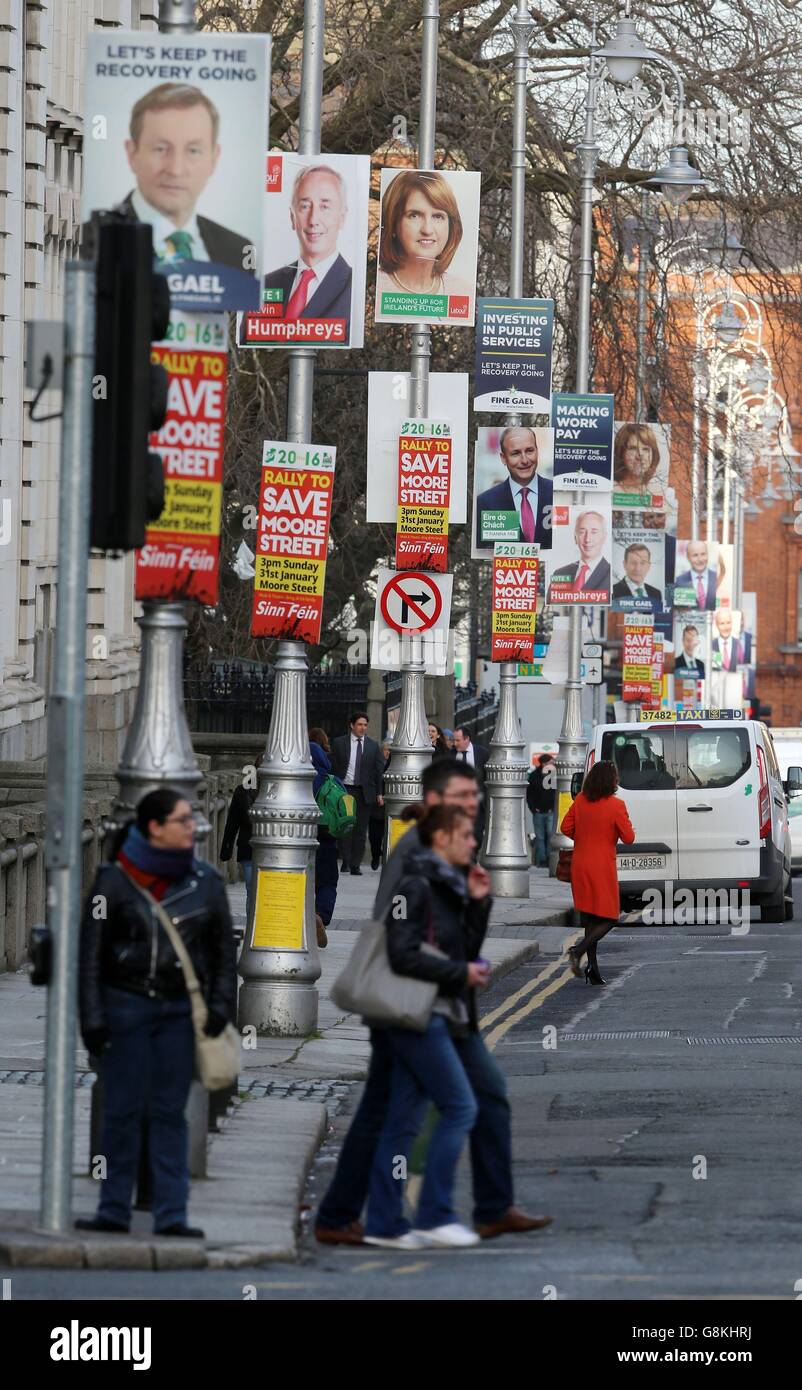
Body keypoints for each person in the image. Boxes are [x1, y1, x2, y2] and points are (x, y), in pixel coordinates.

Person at [315, 759, 552, 1245]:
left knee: (406, 1107)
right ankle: (416, 1215)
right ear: (438, 800)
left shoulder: (447, 852)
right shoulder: (418, 851)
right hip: (415, 1002)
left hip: (440, 1002)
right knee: (442, 1105)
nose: (473, 804)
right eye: (463, 797)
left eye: (474, 797)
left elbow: (462, 937)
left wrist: (478, 902)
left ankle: (347, 1214)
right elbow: (400, 931)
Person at [77, 789, 237, 1238]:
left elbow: (222, 952)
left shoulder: (204, 881)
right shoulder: (113, 881)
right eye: (183, 820)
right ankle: (112, 1208)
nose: (192, 827)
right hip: (125, 1005)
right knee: (122, 1111)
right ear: (155, 827)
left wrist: (222, 1006)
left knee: (170, 1112)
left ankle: (172, 1214)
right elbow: (90, 956)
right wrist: (91, 1018)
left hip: (179, 1011)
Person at [363, 805, 491, 1249]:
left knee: (404, 1119)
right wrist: (460, 974)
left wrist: (479, 902)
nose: (474, 843)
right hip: (418, 1014)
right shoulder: (416, 885)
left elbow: (467, 947)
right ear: (441, 840)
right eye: (466, 836)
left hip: (431, 1010)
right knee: (460, 1107)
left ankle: (382, 1220)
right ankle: (434, 1213)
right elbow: (402, 955)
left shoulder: (445, 883)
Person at [115, 83, 252, 271]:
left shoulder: (236, 251)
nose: (176, 169)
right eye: (160, 149)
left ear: (214, 158)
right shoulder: (96, 239)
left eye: (193, 151)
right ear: (132, 154)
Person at [560, 761, 635, 986]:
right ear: (611, 781)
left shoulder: (581, 800)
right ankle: (578, 950)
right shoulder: (616, 805)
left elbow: (565, 828)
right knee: (611, 917)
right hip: (602, 866)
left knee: (591, 917)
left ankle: (592, 967)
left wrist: (584, 839)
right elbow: (629, 838)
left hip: (581, 864)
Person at [263, 165, 352, 337]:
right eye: (304, 206)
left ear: (342, 217)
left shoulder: (354, 289)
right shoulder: (266, 285)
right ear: (292, 217)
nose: (313, 220)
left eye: (324, 207)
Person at [376, 170, 472, 301]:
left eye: (438, 216)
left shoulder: (463, 291)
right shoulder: (372, 289)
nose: (427, 230)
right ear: (393, 223)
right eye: (414, 215)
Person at [475, 427, 554, 551]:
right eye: (515, 453)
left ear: (537, 451)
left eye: (529, 451)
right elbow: (484, 552)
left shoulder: (556, 495)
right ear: (503, 458)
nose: (524, 460)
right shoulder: (486, 503)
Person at [330, 712, 386, 874]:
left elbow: (378, 770)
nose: (363, 728)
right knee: (345, 826)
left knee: (361, 830)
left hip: (364, 791)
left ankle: (355, 864)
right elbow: (333, 765)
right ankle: (346, 860)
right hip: (345, 789)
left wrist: (379, 793)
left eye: (365, 725)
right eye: (360, 725)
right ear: (352, 725)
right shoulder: (339, 743)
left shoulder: (373, 745)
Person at [309, 728, 342, 948]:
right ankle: (320, 915)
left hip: (301, 836)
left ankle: (300, 918)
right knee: (328, 882)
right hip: (327, 837)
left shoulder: (299, 777)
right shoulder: (332, 780)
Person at [547, 509, 611, 600]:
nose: (587, 539)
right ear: (575, 538)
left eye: (594, 532)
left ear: (604, 537)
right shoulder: (560, 573)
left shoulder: (610, 575)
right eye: (582, 532)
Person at [219, 781, 256, 919]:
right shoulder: (243, 791)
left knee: (255, 890)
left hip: (265, 849)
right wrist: (226, 848)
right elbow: (233, 821)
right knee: (252, 889)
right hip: (248, 849)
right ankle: (252, 925)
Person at [613, 423, 662, 496]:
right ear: (620, 452)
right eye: (633, 448)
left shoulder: (657, 492)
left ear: (654, 455)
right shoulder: (611, 489)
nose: (640, 455)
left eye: (646, 449)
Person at [611, 542, 662, 607]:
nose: (637, 568)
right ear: (625, 564)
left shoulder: (656, 594)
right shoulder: (613, 592)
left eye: (642, 563)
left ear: (649, 566)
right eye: (633, 562)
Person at [527, 754, 556, 867]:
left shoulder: (551, 775)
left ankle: (548, 858)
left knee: (549, 835)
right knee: (540, 837)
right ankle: (543, 859)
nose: (552, 764)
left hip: (549, 811)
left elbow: (553, 793)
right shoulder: (534, 776)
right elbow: (530, 795)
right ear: (544, 763)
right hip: (539, 812)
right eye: (550, 762)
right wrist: (534, 809)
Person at [368, 738, 393, 870]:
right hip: (377, 803)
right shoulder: (376, 763)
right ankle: (375, 855)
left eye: (391, 750)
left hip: (390, 802)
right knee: (375, 835)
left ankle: (385, 856)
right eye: (386, 750)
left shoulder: (394, 763)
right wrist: (378, 794)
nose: (388, 753)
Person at [674, 540, 717, 610]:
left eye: (703, 554)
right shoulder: (679, 582)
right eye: (695, 555)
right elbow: (679, 609)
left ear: (708, 555)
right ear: (688, 557)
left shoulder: (717, 578)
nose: (700, 559)